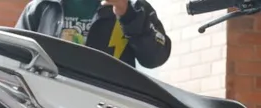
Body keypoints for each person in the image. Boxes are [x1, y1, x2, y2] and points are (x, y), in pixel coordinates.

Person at [15, 0, 171, 69]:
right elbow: (15, 57)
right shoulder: (40, 7)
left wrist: (128, 15)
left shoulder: (134, 7)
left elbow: (155, 58)